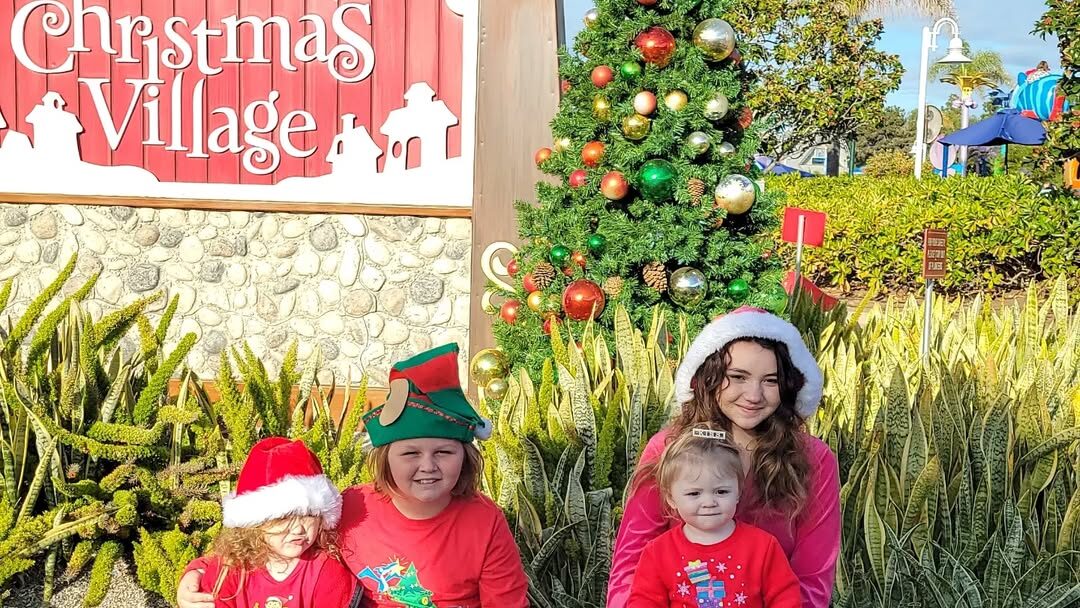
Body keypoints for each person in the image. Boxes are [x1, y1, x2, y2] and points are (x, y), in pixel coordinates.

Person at [178, 344, 529, 608]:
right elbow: (272, 544)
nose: (428, 466)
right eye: (410, 453)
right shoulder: (354, 507)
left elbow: (507, 602)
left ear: (464, 458)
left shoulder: (485, 521)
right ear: (384, 459)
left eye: (443, 452)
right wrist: (195, 572)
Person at [609, 306, 840, 608]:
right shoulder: (670, 448)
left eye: (770, 380)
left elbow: (813, 578)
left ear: (786, 386)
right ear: (710, 376)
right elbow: (631, 564)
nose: (754, 395)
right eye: (738, 376)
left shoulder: (813, 458)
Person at [627, 424, 801, 608]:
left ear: (738, 492)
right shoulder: (658, 552)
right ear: (671, 498)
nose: (709, 502)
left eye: (721, 491)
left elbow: (786, 599)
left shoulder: (764, 547)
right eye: (694, 494)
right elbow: (644, 602)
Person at [183, 437, 359, 608]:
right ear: (255, 523)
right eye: (283, 517)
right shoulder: (231, 570)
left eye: (309, 514)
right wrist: (195, 571)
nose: (298, 528)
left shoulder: (328, 575)